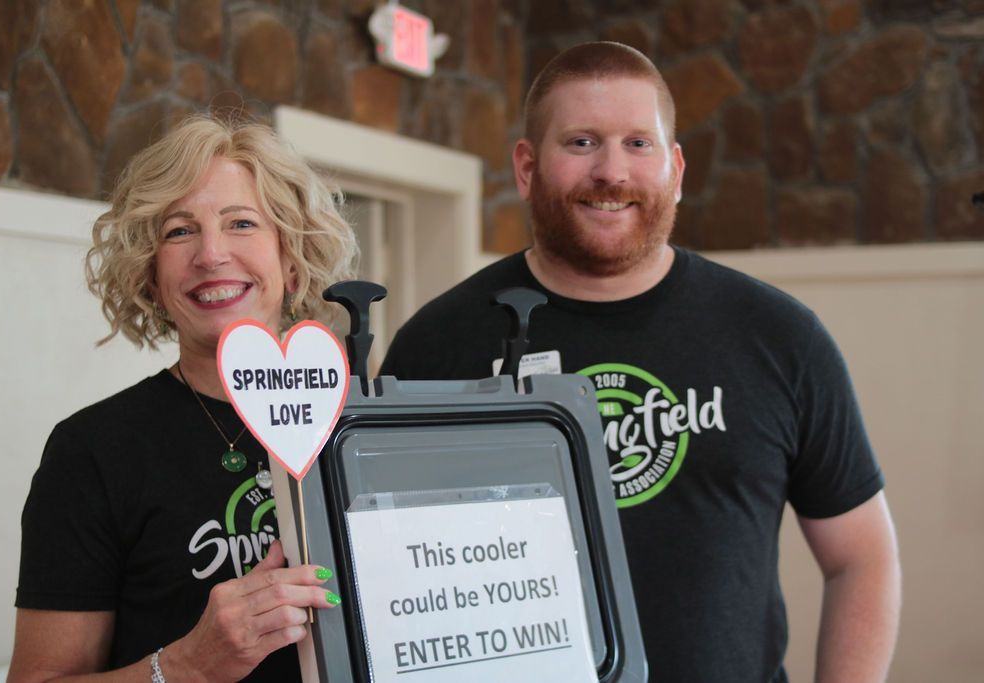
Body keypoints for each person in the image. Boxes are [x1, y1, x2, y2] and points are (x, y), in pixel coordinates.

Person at [381, 42, 901, 682]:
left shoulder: (780, 337)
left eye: (638, 143)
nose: (611, 172)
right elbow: (390, 578)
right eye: (580, 143)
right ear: (526, 167)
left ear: (676, 169)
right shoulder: (436, 346)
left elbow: (862, 557)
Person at [9, 115, 358, 682]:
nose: (211, 254)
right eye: (179, 231)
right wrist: (186, 666)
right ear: (150, 276)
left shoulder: (365, 428)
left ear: (292, 263)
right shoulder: (93, 450)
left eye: (241, 223)